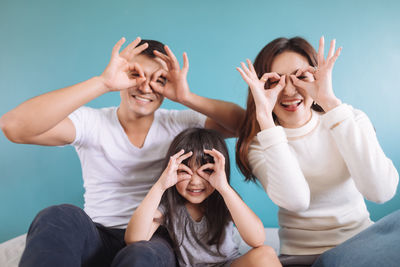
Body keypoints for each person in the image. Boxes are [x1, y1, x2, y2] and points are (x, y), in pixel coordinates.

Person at [0, 37, 245, 267]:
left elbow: (243, 125)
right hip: (98, 233)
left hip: (152, 235)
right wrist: (102, 83)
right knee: (57, 216)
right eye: (134, 74)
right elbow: (14, 127)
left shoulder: (180, 122)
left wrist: (186, 96)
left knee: (141, 253)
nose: (145, 86)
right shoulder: (91, 122)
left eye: (158, 80)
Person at [235, 36, 399, 267]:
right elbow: (296, 200)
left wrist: (331, 103)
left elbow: (382, 192)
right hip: (304, 258)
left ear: (317, 76)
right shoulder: (262, 143)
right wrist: (264, 118)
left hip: (361, 246)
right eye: (276, 82)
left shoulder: (349, 117)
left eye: (301, 76)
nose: (290, 90)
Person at [125, 127, 282, 267]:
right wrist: (160, 186)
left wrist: (224, 188)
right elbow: (134, 239)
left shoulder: (225, 200)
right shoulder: (169, 208)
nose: (195, 181)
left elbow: (257, 239)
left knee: (265, 253)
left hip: (229, 264)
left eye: (206, 170)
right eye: (185, 171)